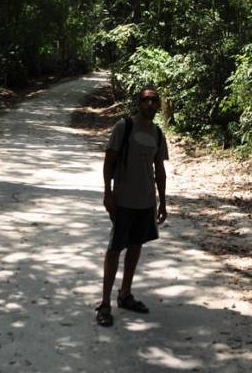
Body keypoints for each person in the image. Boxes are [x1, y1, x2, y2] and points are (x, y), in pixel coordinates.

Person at [95, 87, 169, 327]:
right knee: (115, 249)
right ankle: (105, 303)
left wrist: (163, 201)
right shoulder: (124, 127)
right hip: (124, 199)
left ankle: (125, 294)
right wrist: (108, 193)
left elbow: (159, 169)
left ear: (159, 105)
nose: (150, 104)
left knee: (136, 246)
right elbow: (109, 161)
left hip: (146, 201)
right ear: (139, 103)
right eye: (145, 100)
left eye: (154, 100)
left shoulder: (158, 133)